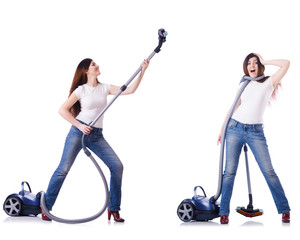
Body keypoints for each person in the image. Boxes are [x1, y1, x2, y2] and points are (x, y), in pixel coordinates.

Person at [42, 58, 150, 222]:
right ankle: (46, 207)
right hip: (78, 133)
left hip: (96, 135)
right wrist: (79, 125)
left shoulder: (104, 88)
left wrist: (143, 70)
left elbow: (129, 90)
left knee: (117, 166)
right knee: (63, 169)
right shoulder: (81, 90)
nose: (97, 65)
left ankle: (113, 209)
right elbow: (62, 110)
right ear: (86, 70)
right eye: (93, 64)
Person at [217, 53, 291, 224]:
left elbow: (286, 63)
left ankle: (284, 209)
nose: (252, 65)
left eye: (256, 62)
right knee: (229, 173)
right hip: (234, 128)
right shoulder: (244, 84)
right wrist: (222, 129)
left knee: (269, 172)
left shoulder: (268, 82)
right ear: (246, 67)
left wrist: (265, 60)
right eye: (249, 63)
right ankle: (224, 212)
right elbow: (233, 107)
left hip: (256, 132)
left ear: (259, 66)